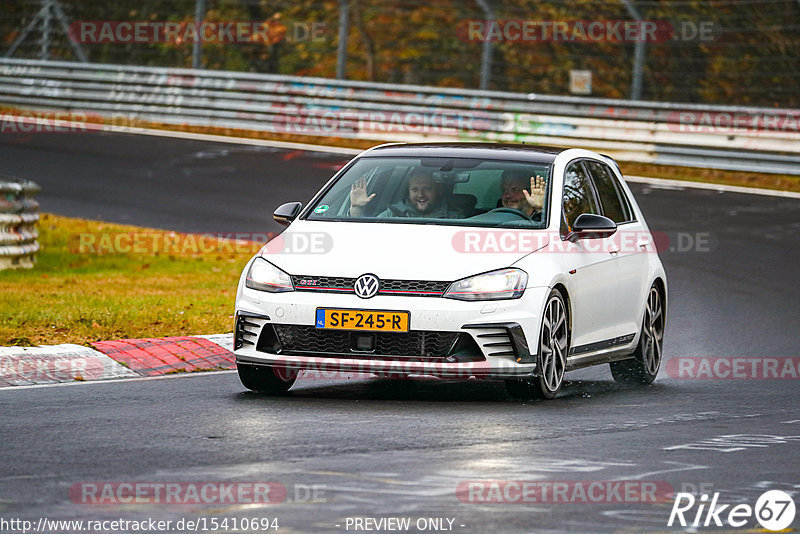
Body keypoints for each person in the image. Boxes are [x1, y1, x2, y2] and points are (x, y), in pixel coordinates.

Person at [349, 169, 462, 218]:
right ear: (408, 191)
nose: (420, 195)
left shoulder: (455, 217)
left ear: (439, 190)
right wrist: (356, 208)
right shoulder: (392, 214)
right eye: (415, 190)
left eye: (427, 189)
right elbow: (367, 233)